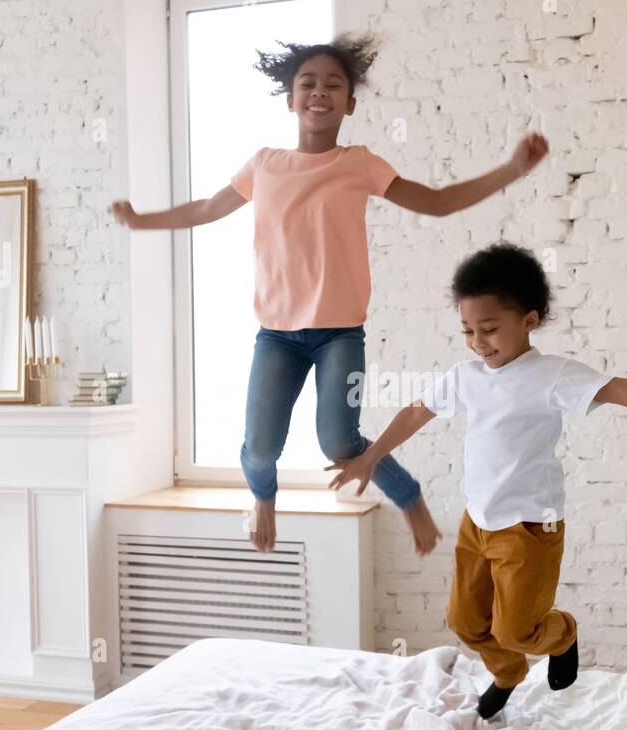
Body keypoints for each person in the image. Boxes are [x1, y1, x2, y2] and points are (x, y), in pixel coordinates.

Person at [109, 33, 549, 553]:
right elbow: (206, 209)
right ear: (291, 99)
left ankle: (409, 498)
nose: (320, 92)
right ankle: (263, 499)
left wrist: (511, 170)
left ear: (350, 103)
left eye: (333, 84)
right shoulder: (265, 164)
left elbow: (436, 202)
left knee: (340, 442)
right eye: (308, 83)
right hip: (276, 335)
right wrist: (143, 221)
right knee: (259, 449)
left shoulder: (359, 163)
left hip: (340, 333)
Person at [327, 242, 627, 718]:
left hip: (530, 528)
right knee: (464, 621)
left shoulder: (551, 375)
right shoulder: (465, 376)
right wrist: (372, 456)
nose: (479, 342)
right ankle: (508, 673)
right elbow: (418, 411)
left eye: (491, 329)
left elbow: (624, 389)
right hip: (477, 523)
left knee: (517, 629)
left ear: (530, 320)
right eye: (468, 331)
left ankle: (563, 633)